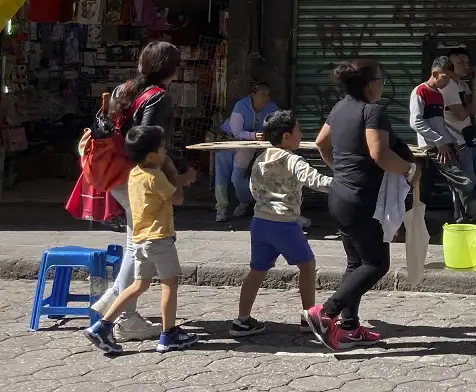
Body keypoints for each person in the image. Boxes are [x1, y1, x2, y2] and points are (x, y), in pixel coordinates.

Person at [310, 58, 416, 351]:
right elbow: (380, 155)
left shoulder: (341, 107)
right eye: (381, 80)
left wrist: (340, 170)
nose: (383, 85)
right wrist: (410, 170)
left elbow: (321, 142)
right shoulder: (373, 111)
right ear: (370, 85)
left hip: (340, 196)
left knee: (356, 263)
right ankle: (325, 313)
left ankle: (350, 327)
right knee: (376, 263)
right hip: (362, 200)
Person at [88, 41, 190, 343]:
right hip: (137, 174)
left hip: (117, 171)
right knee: (137, 243)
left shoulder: (125, 88)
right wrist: (171, 172)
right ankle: (123, 317)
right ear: (171, 69)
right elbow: (146, 141)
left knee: (135, 242)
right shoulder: (157, 98)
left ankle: (114, 309)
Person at [83, 125, 199, 355]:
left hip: (139, 239)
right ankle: (169, 334)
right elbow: (178, 198)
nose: (165, 152)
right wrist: (174, 173)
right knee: (169, 284)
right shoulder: (155, 176)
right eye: (162, 149)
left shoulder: (134, 173)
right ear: (151, 155)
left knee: (139, 284)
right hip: (159, 239)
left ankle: (102, 325)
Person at [230, 110, 331, 337]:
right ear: (286, 136)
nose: (301, 134)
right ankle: (309, 318)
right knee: (307, 265)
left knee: (256, 271)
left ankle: (242, 320)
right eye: (298, 131)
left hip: (260, 222)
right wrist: (344, 184)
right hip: (284, 224)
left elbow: (253, 189)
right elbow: (316, 181)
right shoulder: (293, 160)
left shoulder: (261, 158)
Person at [409, 57, 476, 225]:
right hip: (433, 146)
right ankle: (472, 219)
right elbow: (416, 122)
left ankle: (462, 223)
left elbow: (440, 124)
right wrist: (440, 142)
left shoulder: (438, 95)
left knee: (458, 185)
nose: (448, 82)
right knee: (465, 182)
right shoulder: (420, 92)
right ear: (434, 74)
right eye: (445, 77)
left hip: (445, 144)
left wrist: (451, 140)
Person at [444, 47, 476, 235]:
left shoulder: (462, 86)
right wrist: (468, 106)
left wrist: (474, 84)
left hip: (469, 137)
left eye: (467, 62)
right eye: (460, 62)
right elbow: (461, 113)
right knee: (466, 182)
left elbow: (474, 111)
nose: (466, 66)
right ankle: (465, 223)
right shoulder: (447, 86)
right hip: (456, 141)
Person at [214, 81, 279, 223]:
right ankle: (222, 208)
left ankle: (245, 201)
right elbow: (237, 132)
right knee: (221, 175)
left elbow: (275, 127)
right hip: (227, 140)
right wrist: (255, 135)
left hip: (248, 145)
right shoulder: (241, 106)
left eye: (268, 94)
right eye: (262, 94)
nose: (266, 97)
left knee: (237, 177)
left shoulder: (272, 107)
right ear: (253, 95)